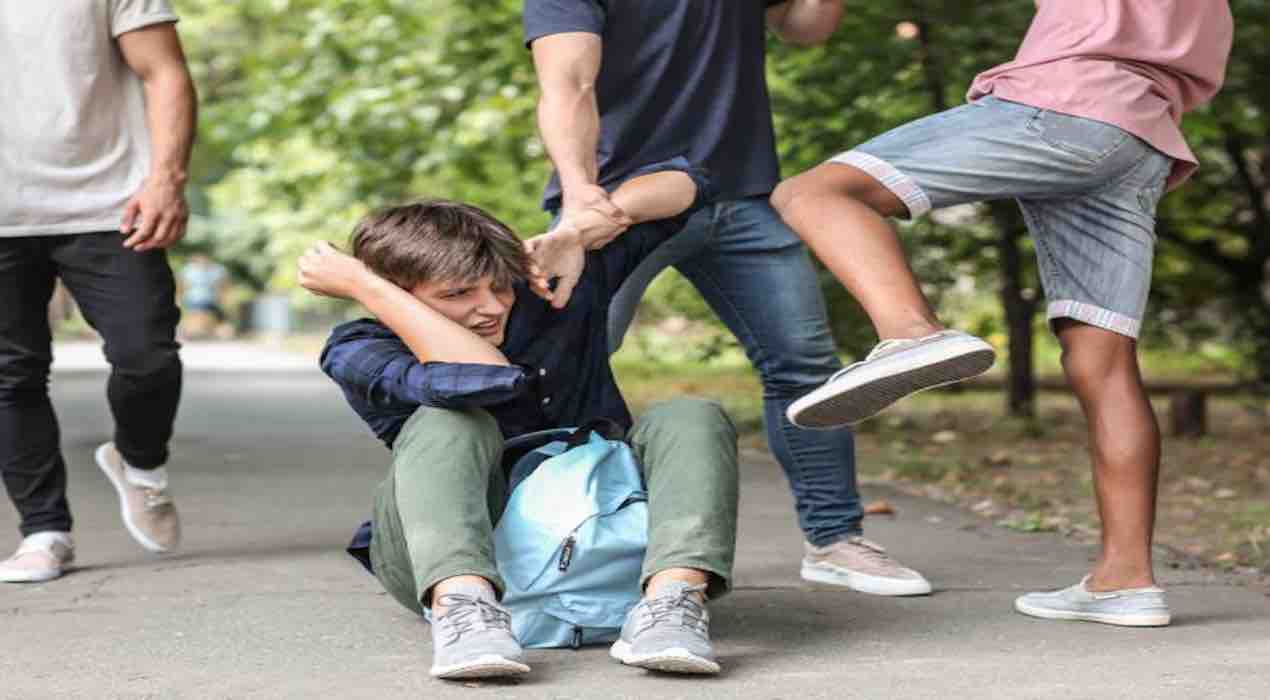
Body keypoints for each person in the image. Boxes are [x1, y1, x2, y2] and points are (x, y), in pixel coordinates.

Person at [770, 1, 1234, 626]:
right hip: (1141, 134)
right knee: (1104, 361)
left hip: (1063, 103)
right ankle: (1124, 579)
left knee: (814, 192)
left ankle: (911, 333)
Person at [523, 0, 933, 597]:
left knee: (804, 366)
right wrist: (581, 193)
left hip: (741, 194)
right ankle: (547, 539)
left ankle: (835, 539)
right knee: (565, 365)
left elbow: (806, 28)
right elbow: (568, 80)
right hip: (618, 203)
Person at [300, 172, 740, 680]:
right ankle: (465, 611)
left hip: (605, 534)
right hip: (451, 555)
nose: (490, 307)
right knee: (451, 421)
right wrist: (364, 283)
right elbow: (485, 377)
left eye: (498, 286)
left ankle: (672, 605)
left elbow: (696, 184)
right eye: (458, 293)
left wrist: (573, 233)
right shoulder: (358, 349)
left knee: (691, 414)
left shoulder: (551, 285)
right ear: (397, 295)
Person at [0, 0, 196, 583]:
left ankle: (141, 463)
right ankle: (44, 530)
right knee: (11, 375)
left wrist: (167, 179)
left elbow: (164, 71)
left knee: (148, 355)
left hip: (110, 204)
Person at [180, 253, 229, 321]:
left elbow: (222, 285)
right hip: (193, 300)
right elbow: (183, 285)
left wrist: (222, 297)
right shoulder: (189, 269)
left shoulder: (217, 269)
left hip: (211, 300)